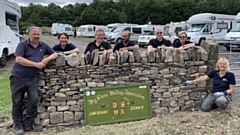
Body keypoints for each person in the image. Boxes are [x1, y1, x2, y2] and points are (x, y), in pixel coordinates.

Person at [10, 26, 58, 135]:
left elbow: (55, 53)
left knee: (34, 100)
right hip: (18, 77)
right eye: (34, 34)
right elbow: (18, 59)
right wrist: (36, 64)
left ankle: (29, 125)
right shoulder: (22, 45)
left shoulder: (43, 45)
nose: (36, 36)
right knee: (17, 101)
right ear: (29, 35)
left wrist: (45, 60)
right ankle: (18, 126)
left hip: (32, 79)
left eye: (38, 34)